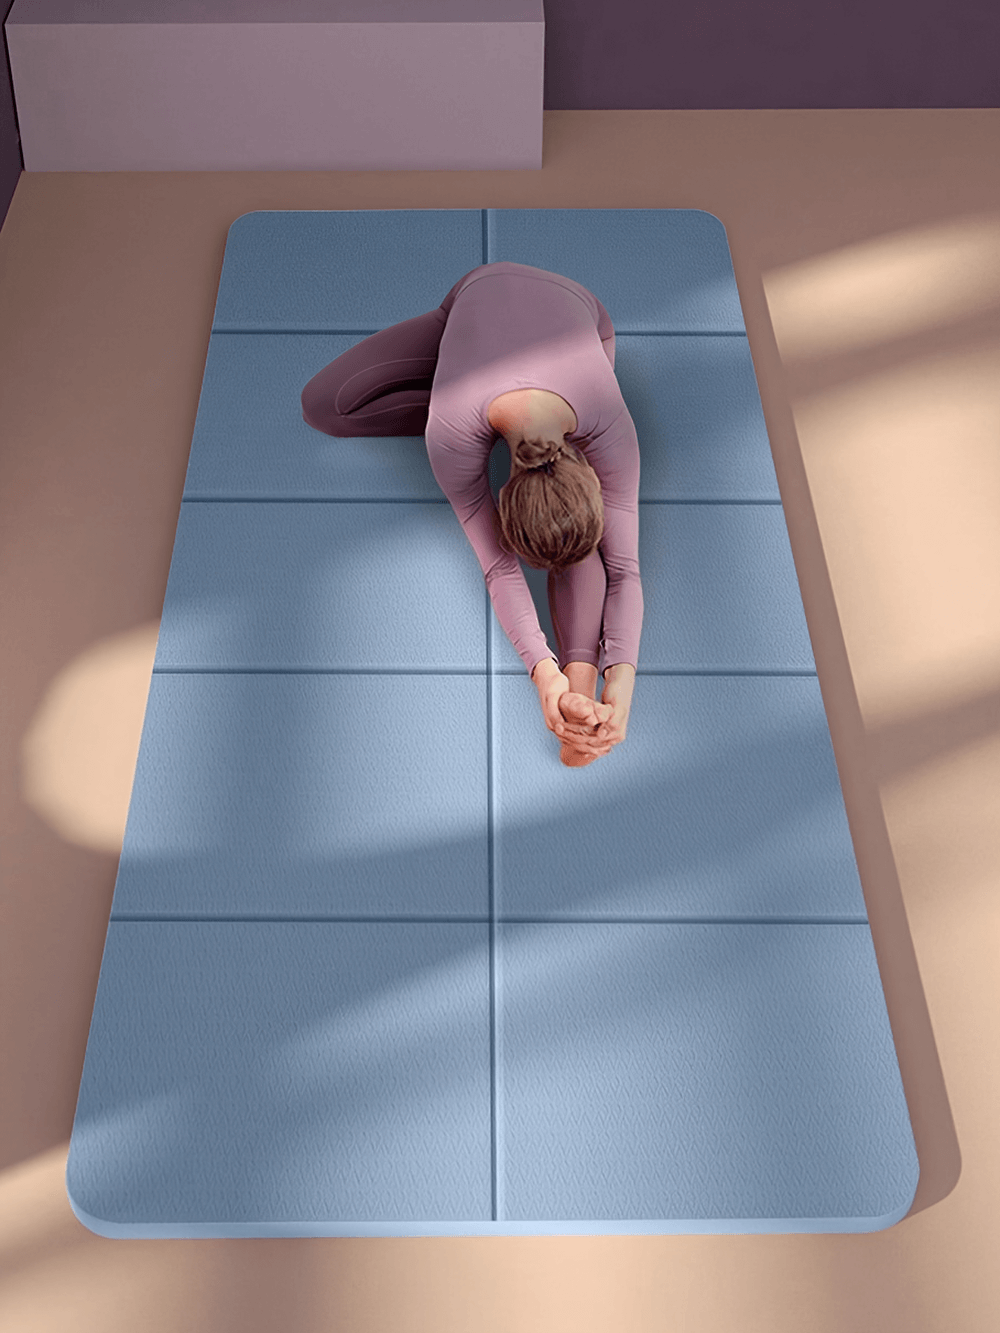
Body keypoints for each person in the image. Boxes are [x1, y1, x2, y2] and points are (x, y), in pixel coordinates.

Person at [301, 261, 643, 767]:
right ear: (501, 496)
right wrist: (539, 672)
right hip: (473, 294)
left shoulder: (609, 425)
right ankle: (452, 370)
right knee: (325, 405)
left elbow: (624, 569)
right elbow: (499, 566)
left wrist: (621, 685)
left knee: (573, 542)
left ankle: (581, 694)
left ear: (593, 472)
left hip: (585, 318)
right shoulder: (451, 440)